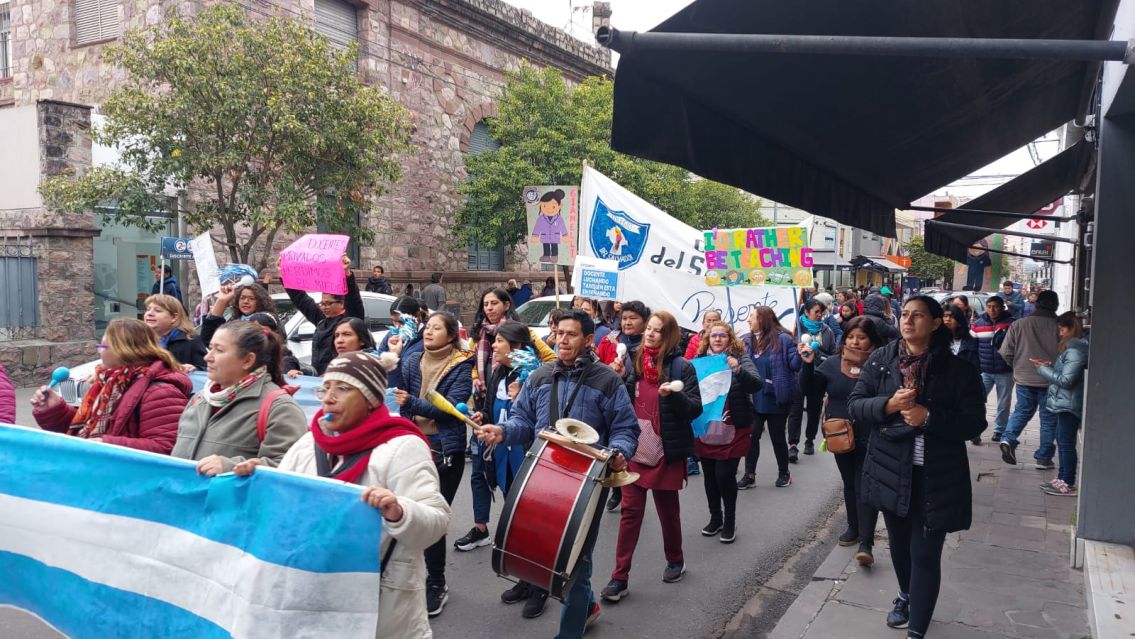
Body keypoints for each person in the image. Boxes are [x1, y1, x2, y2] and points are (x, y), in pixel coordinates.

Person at [231, 351, 451, 639]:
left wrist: (399, 511)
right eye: (326, 388)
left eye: (343, 388)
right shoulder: (309, 442)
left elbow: (436, 521)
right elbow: (282, 513)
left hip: (381, 611)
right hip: (311, 601)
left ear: (371, 399)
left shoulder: (403, 447)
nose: (328, 398)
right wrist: (263, 480)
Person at [474, 309, 639, 638]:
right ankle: (588, 604)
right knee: (549, 551)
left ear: (588, 340)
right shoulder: (539, 376)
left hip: (587, 484)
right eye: (558, 333)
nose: (562, 339)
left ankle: (569, 632)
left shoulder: (607, 380)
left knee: (576, 559)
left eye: (571, 334)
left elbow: (625, 429)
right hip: (543, 478)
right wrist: (502, 431)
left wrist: (619, 453)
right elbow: (523, 422)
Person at [847, 295, 986, 639]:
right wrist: (889, 404)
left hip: (935, 474)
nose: (908, 321)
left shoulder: (958, 370)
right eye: (905, 314)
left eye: (918, 315)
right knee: (898, 545)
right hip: (890, 467)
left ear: (936, 322)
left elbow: (974, 423)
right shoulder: (882, 359)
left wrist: (929, 418)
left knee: (925, 553)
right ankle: (906, 595)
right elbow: (856, 405)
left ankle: (917, 631)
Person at [602, 311, 701, 601]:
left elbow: (695, 408)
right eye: (650, 329)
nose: (651, 334)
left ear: (668, 335)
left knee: (667, 513)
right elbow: (621, 399)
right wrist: (618, 378)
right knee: (630, 514)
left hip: (665, 450)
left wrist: (675, 395)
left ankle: (675, 559)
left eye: (658, 331)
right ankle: (619, 577)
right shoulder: (633, 359)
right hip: (634, 448)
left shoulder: (682, 367)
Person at [394, 312, 474, 617]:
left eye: (436, 328)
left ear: (451, 335)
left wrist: (410, 403)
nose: (429, 332)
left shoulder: (461, 366)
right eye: (427, 328)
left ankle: (437, 582)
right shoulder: (412, 360)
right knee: (406, 511)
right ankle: (406, 577)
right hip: (413, 444)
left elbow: (451, 410)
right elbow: (397, 391)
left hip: (444, 449)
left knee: (432, 515)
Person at [30, 318, 192, 454]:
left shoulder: (161, 391)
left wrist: (106, 444)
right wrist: (55, 410)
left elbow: (166, 448)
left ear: (123, 350)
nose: (99, 352)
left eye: (103, 346)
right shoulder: (108, 383)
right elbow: (83, 432)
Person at [172, 320, 307, 473]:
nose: (207, 357)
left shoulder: (280, 408)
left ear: (248, 360)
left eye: (219, 350)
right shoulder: (198, 400)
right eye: (210, 348)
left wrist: (229, 467)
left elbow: (291, 469)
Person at [485, 321, 555, 618]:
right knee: (515, 522)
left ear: (515, 347)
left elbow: (537, 423)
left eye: (499, 341)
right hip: (504, 454)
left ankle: (541, 585)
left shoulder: (537, 376)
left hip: (527, 455)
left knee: (535, 525)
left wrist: (519, 396)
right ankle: (525, 580)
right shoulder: (499, 372)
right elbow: (495, 409)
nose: (494, 346)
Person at [800, 316, 882, 566]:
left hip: (872, 434)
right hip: (839, 436)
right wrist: (807, 366)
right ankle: (853, 527)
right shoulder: (832, 364)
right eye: (851, 337)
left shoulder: (880, 363)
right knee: (849, 483)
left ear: (872, 340)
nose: (855, 342)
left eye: (862, 337)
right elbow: (810, 391)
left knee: (863, 484)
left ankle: (866, 541)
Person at [693, 321, 761, 543]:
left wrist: (738, 370)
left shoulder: (740, 358)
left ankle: (730, 520)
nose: (718, 339)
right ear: (708, 339)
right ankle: (716, 518)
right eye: (714, 335)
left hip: (733, 426)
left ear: (730, 339)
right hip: (707, 427)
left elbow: (756, 384)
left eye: (723, 335)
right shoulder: (700, 361)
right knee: (710, 477)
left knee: (724, 475)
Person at [738, 306, 801, 489]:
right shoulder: (746, 340)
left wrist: (802, 354)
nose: (749, 320)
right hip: (753, 398)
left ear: (763, 319)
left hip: (776, 396)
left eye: (752, 317)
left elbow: (795, 365)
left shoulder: (784, 339)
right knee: (752, 436)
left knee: (777, 437)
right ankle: (749, 475)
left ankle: (784, 473)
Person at [998, 290, 1060, 468]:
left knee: (1022, 411)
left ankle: (1008, 439)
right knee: (1048, 419)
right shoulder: (1060, 326)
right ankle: (1043, 458)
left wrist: (1018, 365)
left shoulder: (1020, 324)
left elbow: (1005, 352)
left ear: (1037, 303)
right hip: (1052, 380)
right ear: (1055, 305)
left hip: (1024, 377)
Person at [282, 255, 364, 375]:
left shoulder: (349, 321)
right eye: (322, 303)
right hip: (320, 381)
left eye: (328, 303)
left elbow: (353, 300)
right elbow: (302, 300)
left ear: (341, 303)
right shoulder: (322, 320)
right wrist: (286, 274)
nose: (324, 307)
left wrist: (346, 273)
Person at [1036, 312, 1088, 496]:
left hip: (1069, 403)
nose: (1060, 333)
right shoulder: (1072, 349)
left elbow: (1066, 380)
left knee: (1066, 443)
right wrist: (1050, 366)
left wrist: (1043, 370)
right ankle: (1062, 477)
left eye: (1062, 329)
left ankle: (1068, 482)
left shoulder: (1074, 350)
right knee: (1063, 441)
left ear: (1071, 328)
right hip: (1065, 402)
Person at [788, 299, 838, 460]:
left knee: (814, 410)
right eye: (816, 312)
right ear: (806, 312)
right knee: (795, 410)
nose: (819, 316)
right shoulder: (795, 329)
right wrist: (797, 352)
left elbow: (832, 355)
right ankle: (793, 444)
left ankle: (809, 439)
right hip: (798, 375)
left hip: (818, 375)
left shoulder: (827, 331)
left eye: (821, 313)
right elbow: (788, 353)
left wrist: (817, 354)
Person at [971, 296, 1016, 445]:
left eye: (995, 306)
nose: (992, 310)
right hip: (984, 370)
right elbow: (972, 347)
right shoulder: (978, 324)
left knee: (1003, 403)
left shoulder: (1011, 323)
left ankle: (999, 430)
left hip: (1005, 370)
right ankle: (975, 431)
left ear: (1002, 307)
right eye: (989, 306)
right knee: (977, 400)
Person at [199, 282, 278, 347]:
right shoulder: (234, 323)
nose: (246, 301)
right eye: (242, 297)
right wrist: (222, 301)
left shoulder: (267, 324)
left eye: (252, 298)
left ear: (261, 302)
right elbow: (208, 341)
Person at [143, 294, 207, 372]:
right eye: (148, 309)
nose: (150, 313)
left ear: (174, 317)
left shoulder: (191, 340)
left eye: (158, 310)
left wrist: (193, 368)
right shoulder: (140, 341)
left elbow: (208, 370)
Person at [596, 300, 650, 365]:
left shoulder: (650, 346)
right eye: (624, 318)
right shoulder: (608, 341)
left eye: (633, 318)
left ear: (645, 321)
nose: (627, 323)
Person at [533, 188, 570, 263]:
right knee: (545, 246)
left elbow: (563, 227)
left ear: (559, 206)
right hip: (545, 236)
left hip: (554, 236)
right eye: (545, 206)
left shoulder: (559, 219)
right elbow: (537, 227)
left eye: (553, 206)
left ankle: (554, 256)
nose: (549, 209)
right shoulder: (541, 219)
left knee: (554, 246)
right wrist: (535, 235)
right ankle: (546, 256)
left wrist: (565, 236)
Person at [942, 305, 980, 370]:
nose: (947, 319)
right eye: (945, 316)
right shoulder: (933, 340)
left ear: (959, 322)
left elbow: (974, 367)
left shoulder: (970, 342)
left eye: (952, 317)